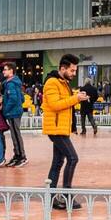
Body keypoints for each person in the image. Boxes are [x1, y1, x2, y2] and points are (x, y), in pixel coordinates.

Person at [42, 54, 88, 209]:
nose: (74, 74)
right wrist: (76, 99)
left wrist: (76, 96)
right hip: (56, 129)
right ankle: (67, 195)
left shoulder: (63, 83)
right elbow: (55, 105)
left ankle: (50, 198)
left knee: (57, 162)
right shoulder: (52, 82)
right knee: (73, 158)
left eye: (75, 70)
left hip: (61, 128)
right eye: (72, 70)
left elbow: (63, 101)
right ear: (62, 68)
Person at [0, 63, 28, 168]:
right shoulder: (14, 82)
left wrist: (5, 110)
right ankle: (17, 155)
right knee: (14, 134)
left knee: (16, 134)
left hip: (13, 113)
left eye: (5, 69)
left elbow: (13, 99)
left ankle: (22, 156)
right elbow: (21, 98)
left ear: (11, 71)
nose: (3, 71)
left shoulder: (11, 84)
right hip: (14, 112)